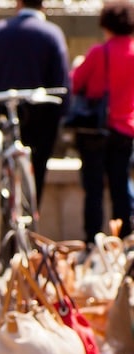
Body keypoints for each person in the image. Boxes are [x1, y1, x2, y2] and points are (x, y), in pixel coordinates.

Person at [0, 0, 69, 209]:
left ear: (18, 4)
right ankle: (30, 226)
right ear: (43, 5)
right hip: (41, 119)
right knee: (35, 179)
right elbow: (62, 85)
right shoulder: (51, 34)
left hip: (1, 115)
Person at [71, 0, 134, 239]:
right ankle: (125, 239)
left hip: (95, 130)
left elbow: (76, 82)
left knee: (93, 189)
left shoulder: (100, 52)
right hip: (125, 129)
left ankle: (92, 239)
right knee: (120, 186)